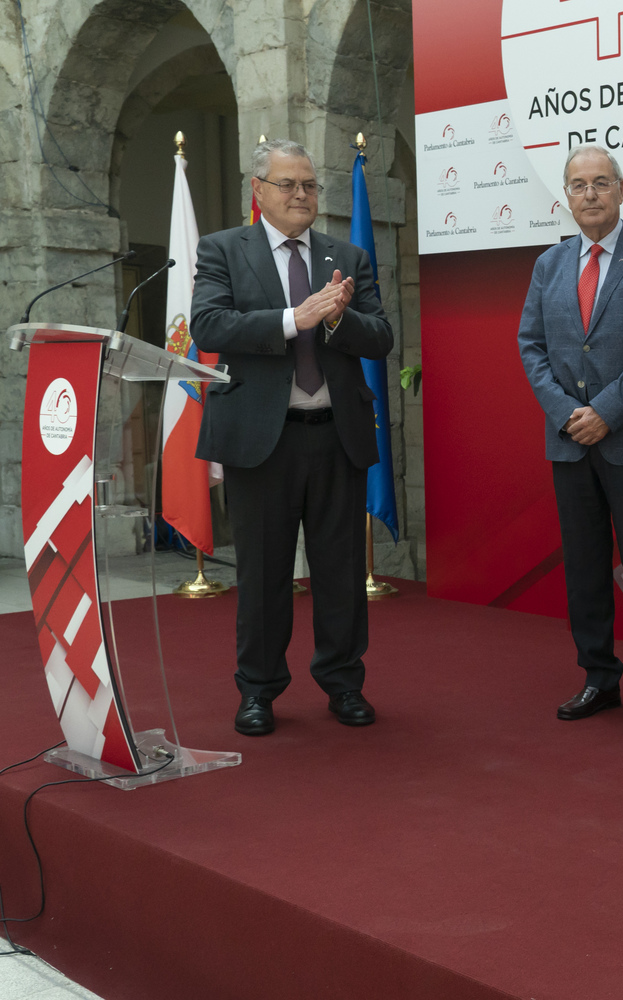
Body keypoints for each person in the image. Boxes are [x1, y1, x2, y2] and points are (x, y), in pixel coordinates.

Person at [192, 138, 393, 736]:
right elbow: (208, 324)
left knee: (339, 573)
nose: (301, 194)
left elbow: (379, 337)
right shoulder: (224, 249)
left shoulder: (346, 256)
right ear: (260, 191)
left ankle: (343, 683)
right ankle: (258, 691)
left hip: (336, 436)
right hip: (261, 439)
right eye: (288, 185)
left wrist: (336, 317)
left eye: (308, 184)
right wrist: (292, 319)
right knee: (263, 574)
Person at [518, 146, 623, 728]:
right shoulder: (549, 264)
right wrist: (568, 412)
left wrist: (606, 411)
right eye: (577, 185)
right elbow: (531, 345)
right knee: (585, 566)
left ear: (621, 189)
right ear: (566, 195)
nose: (589, 194)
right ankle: (598, 677)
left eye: (599, 183)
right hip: (569, 440)